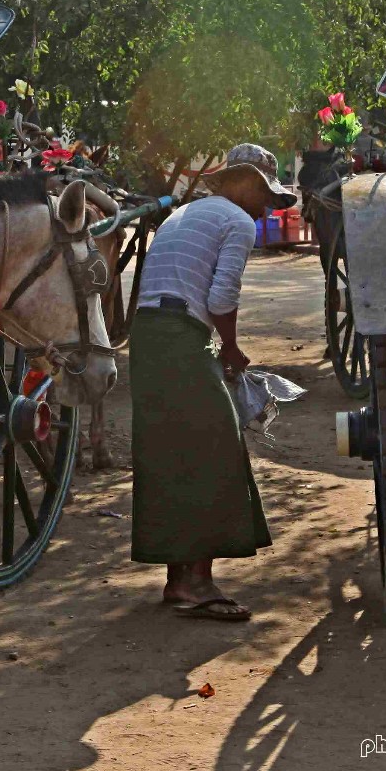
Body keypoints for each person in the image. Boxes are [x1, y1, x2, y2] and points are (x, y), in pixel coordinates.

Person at [130, 142, 299, 623]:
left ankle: (178, 579)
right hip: (182, 337)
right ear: (242, 183)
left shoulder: (185, 214)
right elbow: (222, 296)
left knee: (169, 452)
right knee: (214, 450)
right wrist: (230, 348)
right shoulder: (238, 222)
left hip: (148, 335)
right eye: (264, 194)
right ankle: (196, 582)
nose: (266, 206)